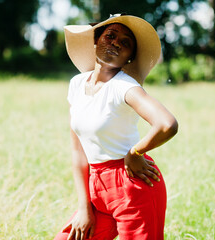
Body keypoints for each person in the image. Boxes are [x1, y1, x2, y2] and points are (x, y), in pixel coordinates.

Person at [54, 14, 178, 240]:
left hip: (133, 183)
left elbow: (167, 123)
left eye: (125, 43)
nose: (116, 43)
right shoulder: (77, 84)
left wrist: (135, 152)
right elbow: (78, 151)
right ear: (96, 40)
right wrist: (84, 207)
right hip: (96, 184)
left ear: (129, 57)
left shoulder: (124, 87)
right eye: (110, 36)